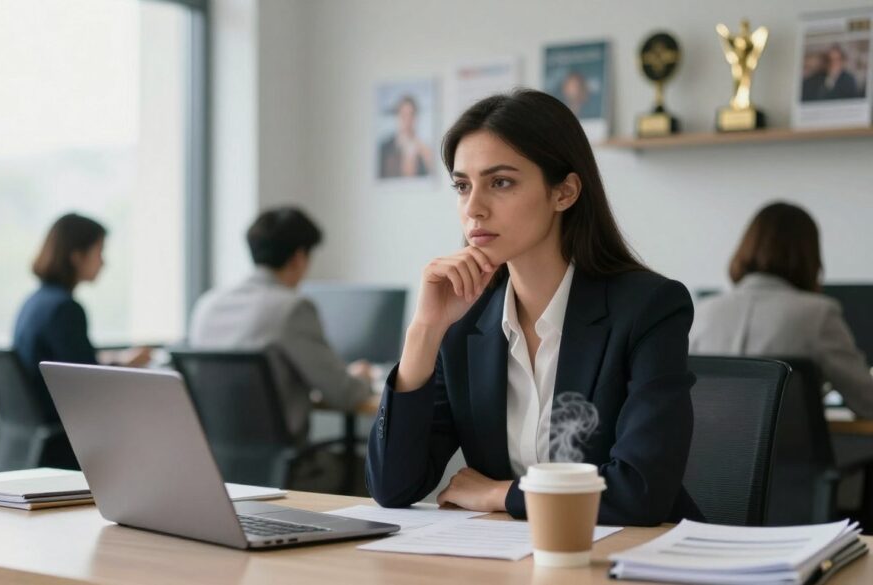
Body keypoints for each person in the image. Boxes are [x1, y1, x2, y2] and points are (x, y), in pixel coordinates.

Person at [366, 90, 701, 526]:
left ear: (564, 192)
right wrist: (425, 331)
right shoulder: (464, 320)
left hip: (634, 559)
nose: (473, 208)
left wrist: (499, 493)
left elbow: (639, 493)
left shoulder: (649, 309)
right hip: (515, 560)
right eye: (463, 186)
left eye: (500, 182)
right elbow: (393, 487)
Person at [188, 206, 373, 442]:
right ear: (298, 257)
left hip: (214, 459)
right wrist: (363, 377)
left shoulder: (207, 304)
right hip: (279, 466)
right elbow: (344, 394)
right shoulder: (292, 309)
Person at [690, 202, 873, 419]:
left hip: (707, 451)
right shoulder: (818, 314)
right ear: (809, 256)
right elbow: (866, 402)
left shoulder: (701, 313)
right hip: (789, 452)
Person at [13, 213, 152, 431]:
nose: (104, 262)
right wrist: (125, 366)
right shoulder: (65, 309)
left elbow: (73, 362)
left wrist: (118, 360)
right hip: (67, 430)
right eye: (99, 252)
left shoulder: (35, 302)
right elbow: (89, 382)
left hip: (42, 428)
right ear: (76, 256)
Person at [379, 95, 433, 178]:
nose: (407, 121)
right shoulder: (384, 148)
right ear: (397, 117)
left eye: (411, 115)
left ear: (416, 117)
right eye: (403, 115)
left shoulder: (424, 150)